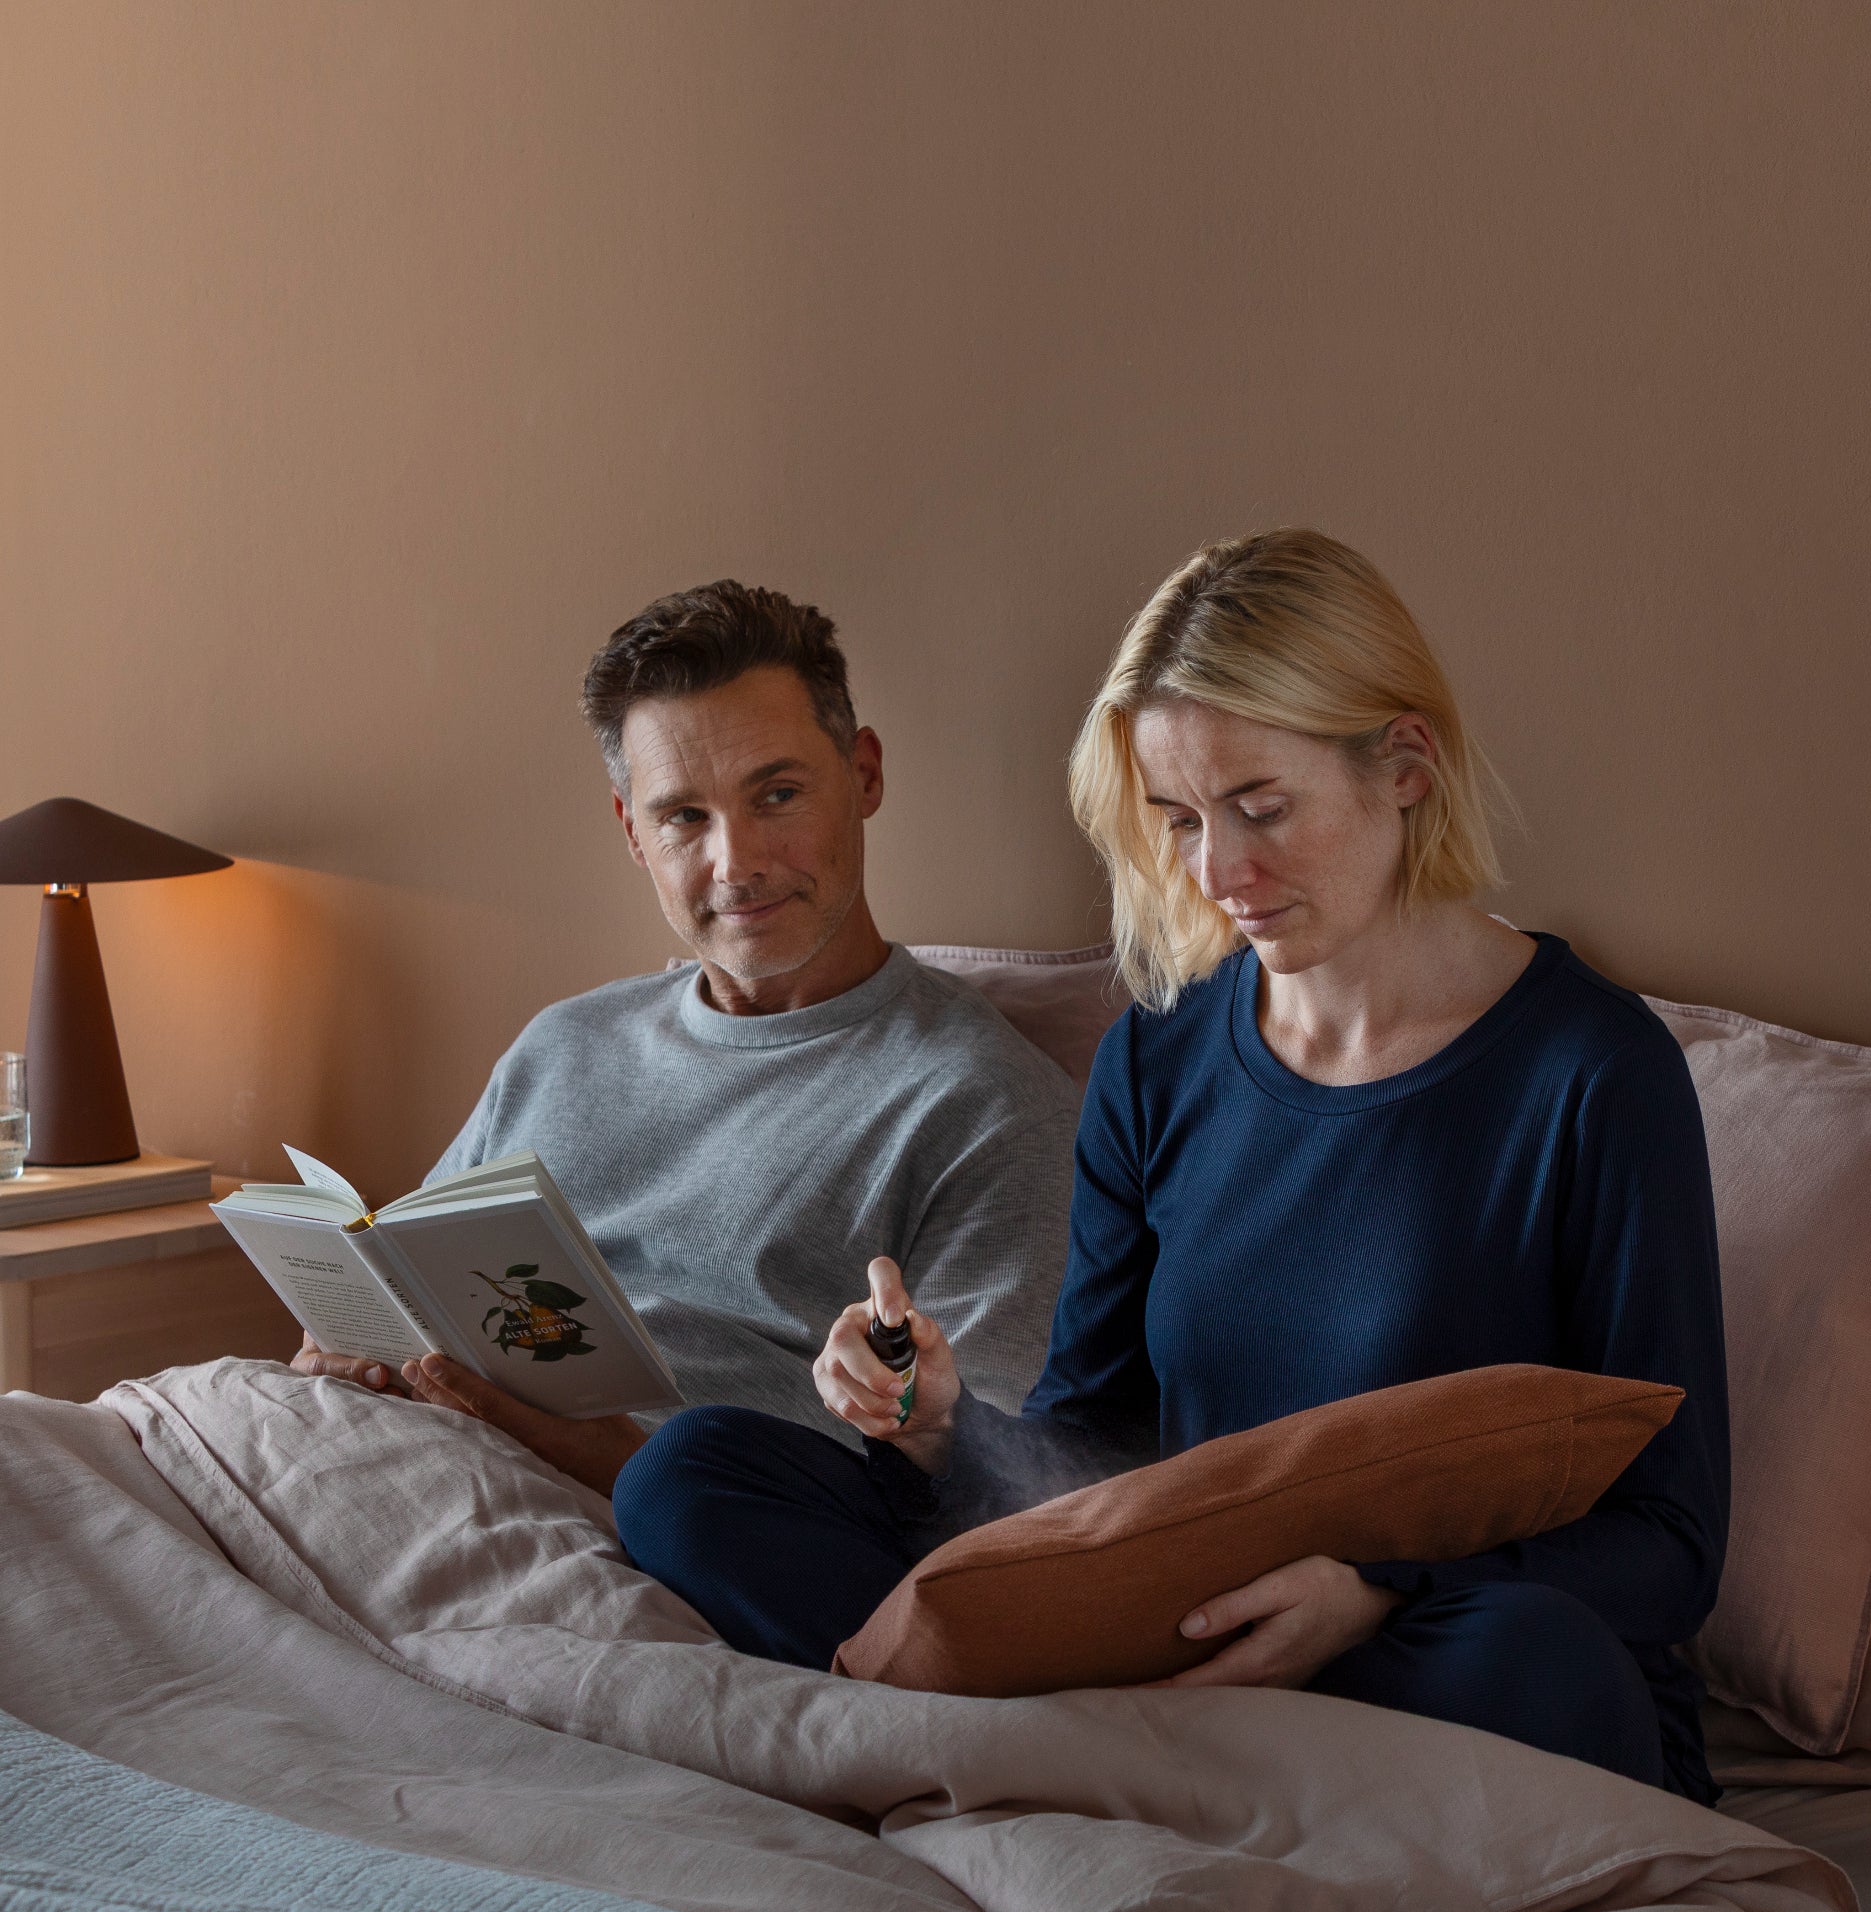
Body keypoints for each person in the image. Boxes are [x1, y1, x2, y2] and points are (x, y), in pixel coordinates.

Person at [612, 531, 1731, 1807]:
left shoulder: (1594, 1074)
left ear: (1405, 766)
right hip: (1182, 1633)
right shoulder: (1161, 1050)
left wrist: (1371, 1595)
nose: (1216, 873)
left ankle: (1059, 1764)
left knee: (1536, 1664)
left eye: (1260, 808)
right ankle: (1135, 1765)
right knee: (690, 1474)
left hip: (1415, 1653)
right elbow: (1096, 1448)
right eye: (1180, 820)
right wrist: (939, 1430)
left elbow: (1670, 1546)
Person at [290, 580, 1079, 1495]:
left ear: (863, 774)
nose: (735, 864)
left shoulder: (989, 1106)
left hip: (631, 1525)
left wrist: (579, 1451)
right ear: (633, 831)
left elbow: (974, 1493)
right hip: (373, 1455)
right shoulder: (562, 1046)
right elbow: (405, 1299)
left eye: (777, 794)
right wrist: (344, 1354)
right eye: (684, 817)